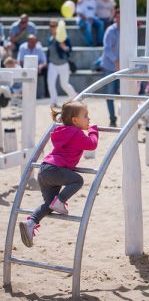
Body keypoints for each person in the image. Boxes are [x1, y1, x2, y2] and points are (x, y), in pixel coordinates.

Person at [19, 100, 99, 247]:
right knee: (78, 181)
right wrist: (93, 130)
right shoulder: (76, 133)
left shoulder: (61, 131)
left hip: (44, 170)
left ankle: (30, 222)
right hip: (55, 170)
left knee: (49, 205)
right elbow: (92, 144)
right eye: (86, 116)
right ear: (75, 120)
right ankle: (60, 201)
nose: (89, 119)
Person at [47, 19, 77, 107]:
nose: (51, 28)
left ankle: (74, 96)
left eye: (53, 26)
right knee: (50, 83)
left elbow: (69, 49)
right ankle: (54, 101)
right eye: (50, 26)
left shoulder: (64, 38)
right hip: (52, 64)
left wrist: (64, 47)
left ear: (58, 27)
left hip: (63, 64)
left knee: (64, 84)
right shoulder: (50, 38)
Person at [100, 9, 120, 127]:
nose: (119, 19)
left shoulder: (127, 30)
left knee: (125, 93)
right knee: (109, 94)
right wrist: (115, 60)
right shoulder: (110, 30)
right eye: (117, 17)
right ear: (115, 18)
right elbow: (106, 48)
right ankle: (112, 119)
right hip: (109, 66)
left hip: (121, 66)